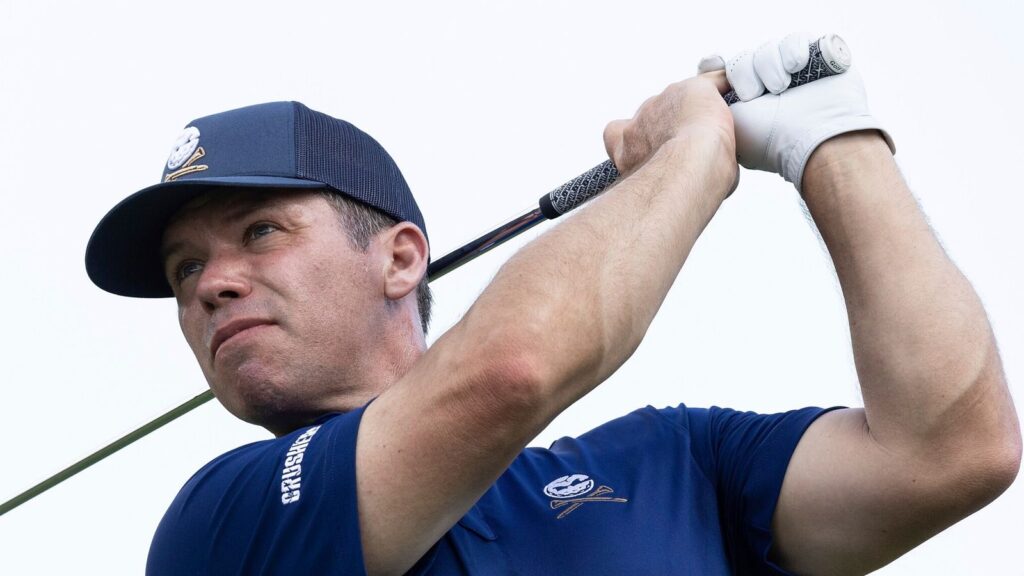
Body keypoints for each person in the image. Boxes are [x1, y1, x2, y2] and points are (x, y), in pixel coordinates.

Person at [86, 34, 1020, 575]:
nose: (210, 284)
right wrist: (696, 154)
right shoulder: (223, 523)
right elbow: (510, 371)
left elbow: (951, 452)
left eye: (258, 234)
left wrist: (832, 140)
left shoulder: (676, 462)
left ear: (401, 258)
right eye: (181, 271)